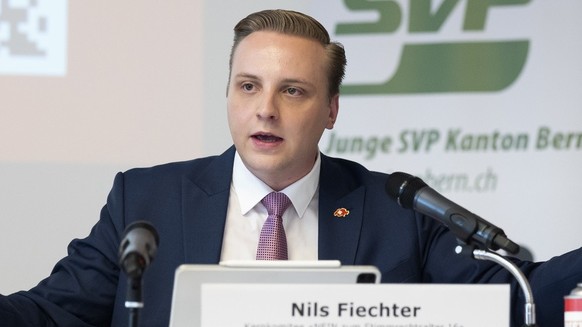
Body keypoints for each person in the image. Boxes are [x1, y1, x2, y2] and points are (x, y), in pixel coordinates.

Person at [1, 9, 581, 327]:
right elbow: (55, 311)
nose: (266, 109)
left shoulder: (395, 211)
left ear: (330, 110)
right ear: (228, 94)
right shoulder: (147, 200)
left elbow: (511, 297)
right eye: (248, 85)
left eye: (294, 91)